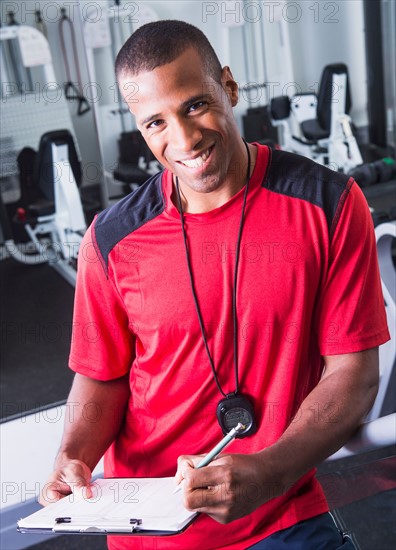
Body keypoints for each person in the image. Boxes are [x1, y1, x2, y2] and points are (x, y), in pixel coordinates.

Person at [40, 20, 390, 550]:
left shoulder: (330, 204)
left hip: (280, 515)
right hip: (150, 526)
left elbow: (355, 375)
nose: (183, 139)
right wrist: (75, 454)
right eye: (155, 122)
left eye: (195, 105)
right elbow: (102, 377)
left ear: (228, 87)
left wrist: (269, 472)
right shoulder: (111, 239)